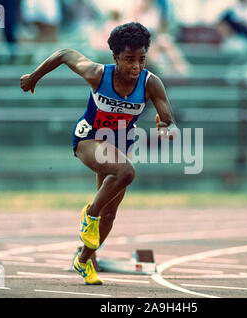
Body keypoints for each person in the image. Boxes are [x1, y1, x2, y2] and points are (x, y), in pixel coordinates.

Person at [20, 22, 178, 285]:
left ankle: (84, 260)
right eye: (129, 60)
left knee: (111, 212)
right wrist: (34, 76)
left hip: (120, 143)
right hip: (89, 138)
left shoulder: (151, 83)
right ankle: (89, 215)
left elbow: (169, 119)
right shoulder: (97, 74)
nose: (136, 67)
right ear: (115, 57)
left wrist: (167, 128)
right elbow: (65, 54)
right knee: (126, 172)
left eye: (141, 59)